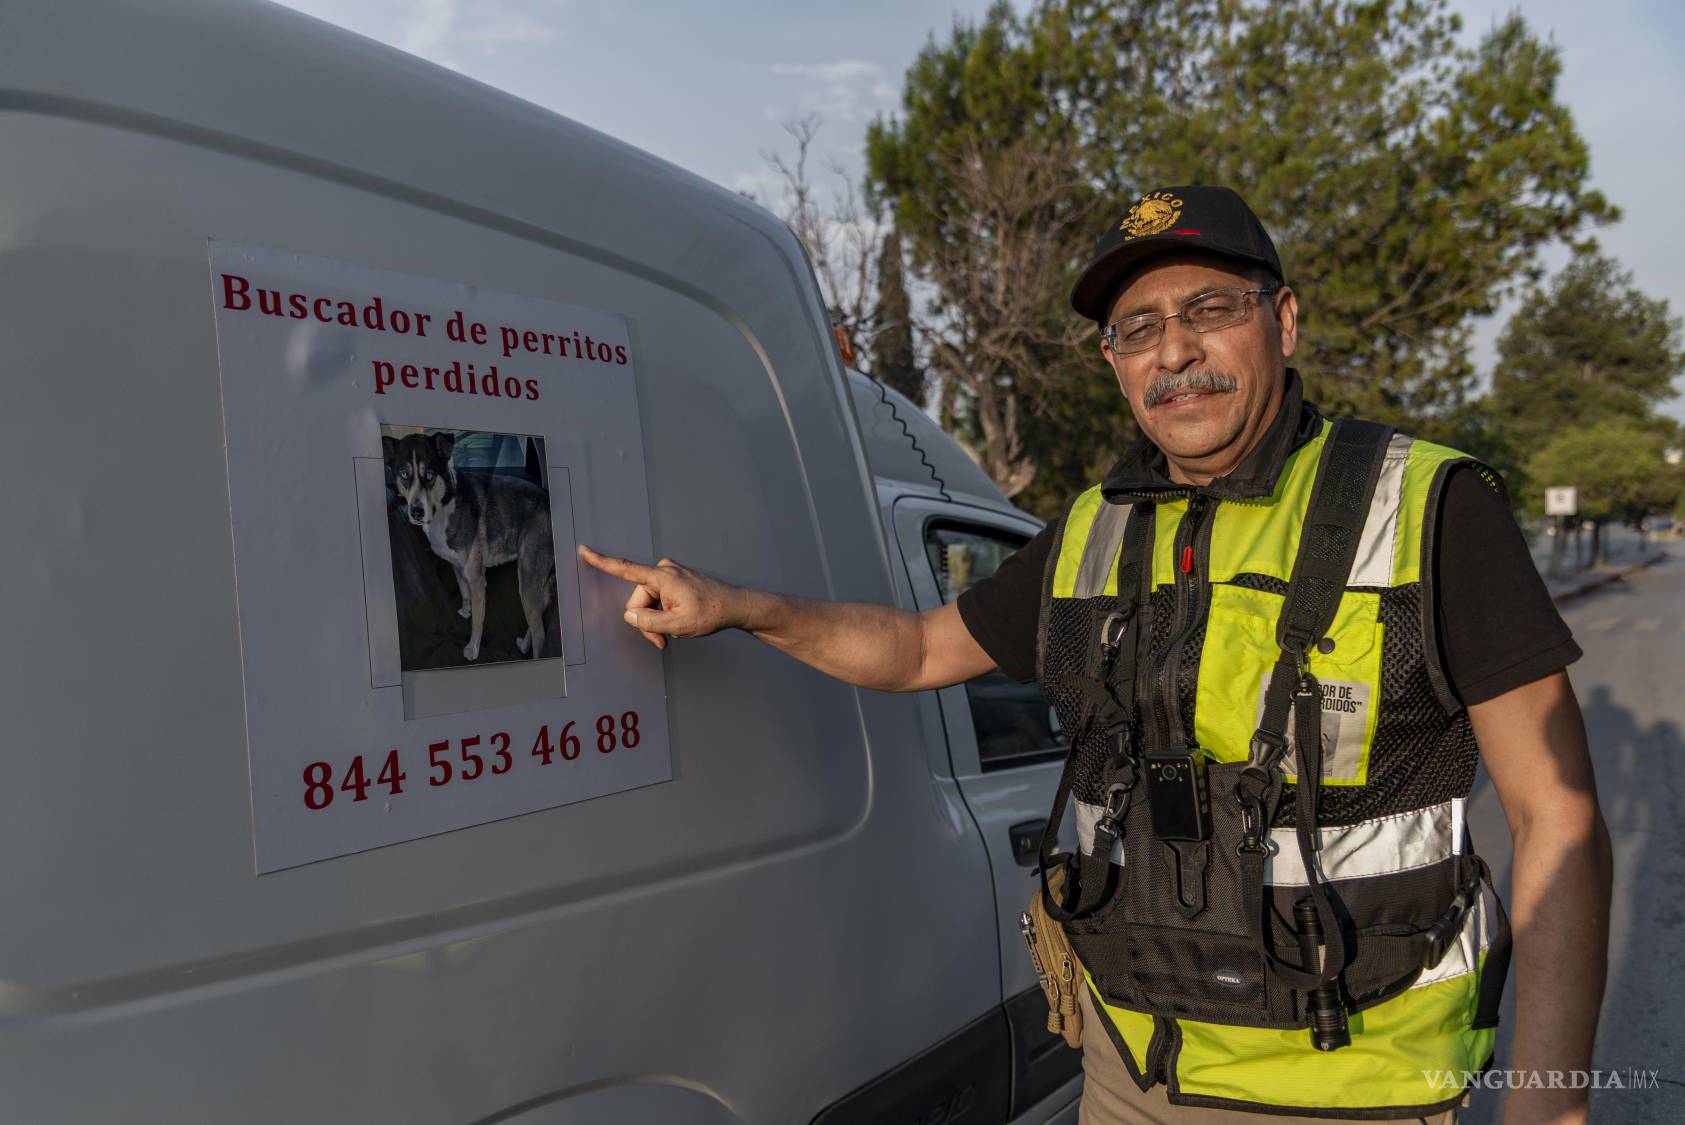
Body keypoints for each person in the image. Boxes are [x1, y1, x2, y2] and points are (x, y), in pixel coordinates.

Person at [579, 186, 1613, 1124]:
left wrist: (1549, 1106)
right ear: (1113, 362)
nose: (1173, 353)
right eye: (1137, 329)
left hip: (1347, 1084)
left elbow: (1553, 813)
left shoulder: (1426, 508)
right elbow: (915, 648)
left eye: (1207, 309)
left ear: (1281, 319)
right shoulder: (1092, 529)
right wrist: (738, 606)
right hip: (1129, 1071)